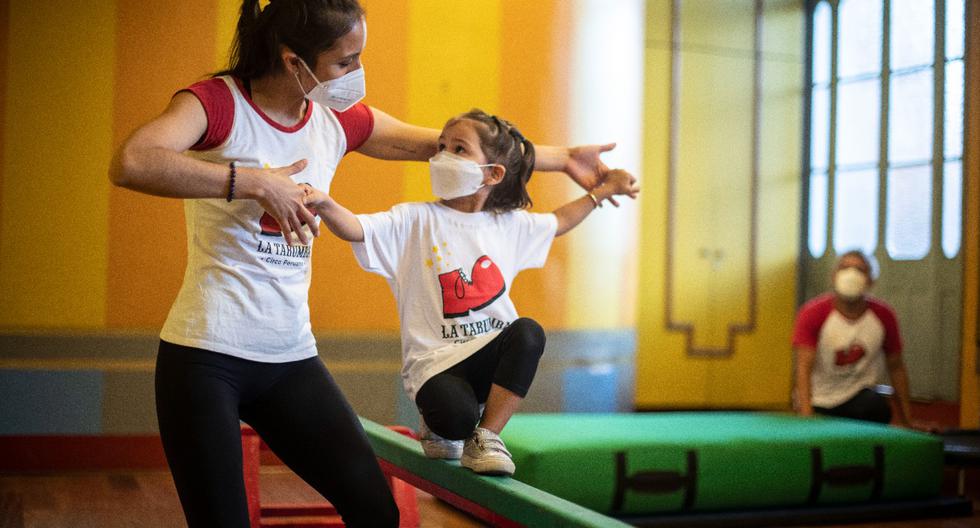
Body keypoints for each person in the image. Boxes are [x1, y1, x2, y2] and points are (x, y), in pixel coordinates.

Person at [108, 1, 624, 526]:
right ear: (293, 63)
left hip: (289, 357)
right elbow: (133, 161)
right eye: (345, 62)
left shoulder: (332, 118)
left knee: (376, 511)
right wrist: (255, 181)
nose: (356, 74)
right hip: (205, 357)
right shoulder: (220, 103)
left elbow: (452, 149)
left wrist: (560, 158)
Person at [304, 109, 640, 476]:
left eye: (459, 149)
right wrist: (324, 203)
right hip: (435, 364)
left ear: (493, 173)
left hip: (486, 355)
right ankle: (443, 425)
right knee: (454, 419)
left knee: (528, 332)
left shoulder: (507, 225)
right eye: (441, 146)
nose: (443, 155)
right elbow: (355, 228)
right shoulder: (414, 219)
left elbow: (559, 221)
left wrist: (602, 191)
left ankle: (487, 437)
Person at [792, 250, 914, 427]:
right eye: (845, 267)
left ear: (870, 280)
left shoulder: (883, 316)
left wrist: (907, 421)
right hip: (820, 400)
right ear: (834, 276)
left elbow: (896, 367)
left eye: (859, 269)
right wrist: (806, 416)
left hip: (859, 398)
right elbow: (803, 368)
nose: (851, 274)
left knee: (878, 407)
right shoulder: (812, 313)